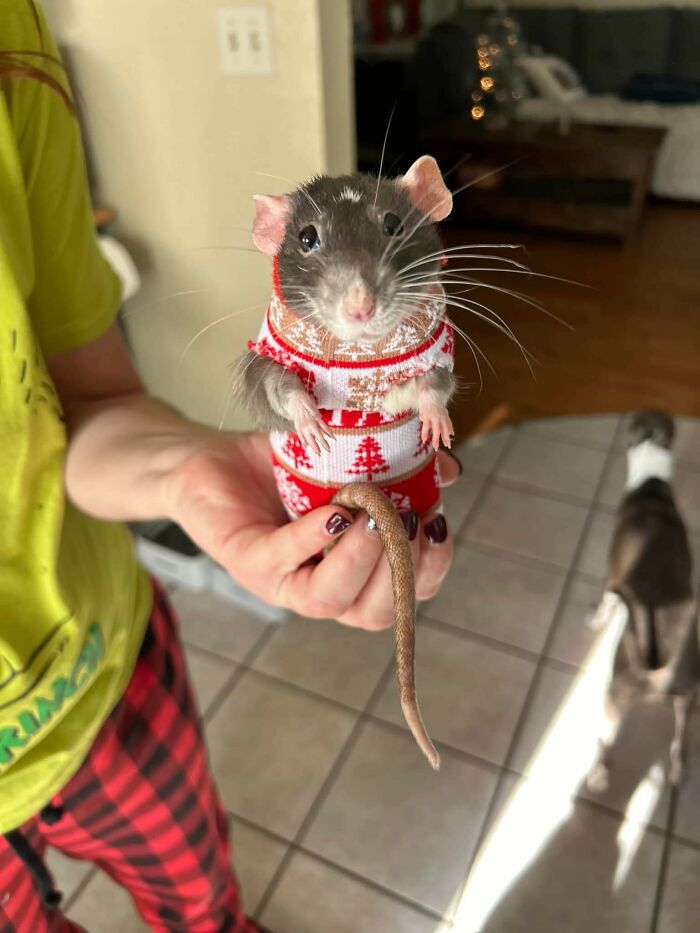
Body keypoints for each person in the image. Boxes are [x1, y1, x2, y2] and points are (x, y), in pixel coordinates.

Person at [0, 2, 456, 930]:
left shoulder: (13, 38)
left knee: (205, 907)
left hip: (101, 669)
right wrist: (293, 396)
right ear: (273, 235)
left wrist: (188, 470)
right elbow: (277, 371)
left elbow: (84, 404)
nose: (364, 301)